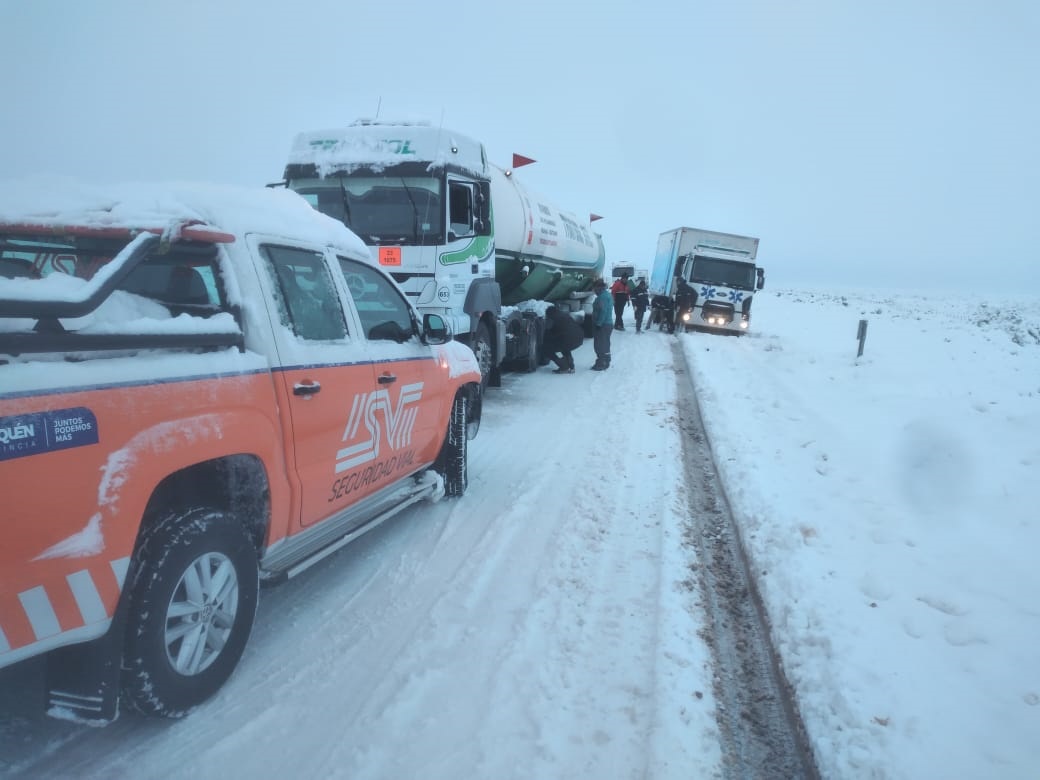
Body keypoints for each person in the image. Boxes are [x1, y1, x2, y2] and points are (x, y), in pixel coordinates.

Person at [542, 305, 584, 373]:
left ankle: (563, 367)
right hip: (579, 338)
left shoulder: (552, 318)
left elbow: (547, 334)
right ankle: (571, 366)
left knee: (546, 349)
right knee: (564, 346)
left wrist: (544, 342)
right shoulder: (565, 315)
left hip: (568, 339)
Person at [591, 278, 613, 370]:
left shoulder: (602, 297)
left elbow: (603, 311)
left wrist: (599, 324)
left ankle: (601, 363)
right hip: (608, 324)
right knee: (605, 343)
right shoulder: (607, 295)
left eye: (595, 289)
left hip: (603, 325)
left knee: (599, 344)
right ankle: (606, 361)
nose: (594, 291)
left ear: (599, 288)